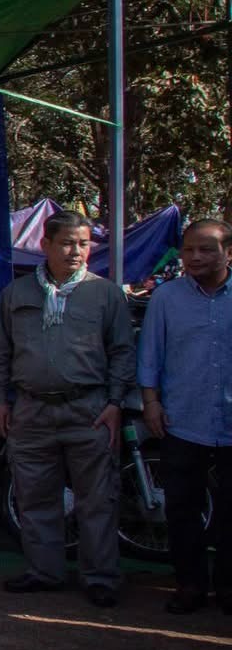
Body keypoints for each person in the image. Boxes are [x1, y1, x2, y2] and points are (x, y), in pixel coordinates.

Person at [0, 210, 135, 608]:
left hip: (89, 409)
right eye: (67, 243)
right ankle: (44, 571)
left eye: (83, 244)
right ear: (45, 245)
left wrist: (115, 402)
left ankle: (100, 576)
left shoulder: (106, 294)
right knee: (35, 496)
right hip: (31, 410)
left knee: (97, 499)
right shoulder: (16, 294)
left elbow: (122, 351)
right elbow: (1, 353)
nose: (76, 251)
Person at [138, 218, 232, 614]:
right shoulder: (166, 298)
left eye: (206, 249)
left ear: (228, 253)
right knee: (181, 510)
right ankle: (189, 585)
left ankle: (227, 589)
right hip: (181, 420)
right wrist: (151, 402)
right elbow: (150, 355)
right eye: (189, 249)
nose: (195, 257)